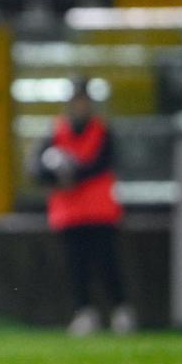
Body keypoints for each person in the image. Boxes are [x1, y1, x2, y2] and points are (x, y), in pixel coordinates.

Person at [34, 76, 134, 335]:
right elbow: (36, 167)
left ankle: (120, 310)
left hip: (99, 211)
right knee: (76, 268)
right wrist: (55, 176)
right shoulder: (55, 132)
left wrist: (72, 175)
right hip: (69, 214)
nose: (80, 106)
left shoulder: (101, 130)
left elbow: (102, 163)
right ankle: (84, 312)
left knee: (107, 264)